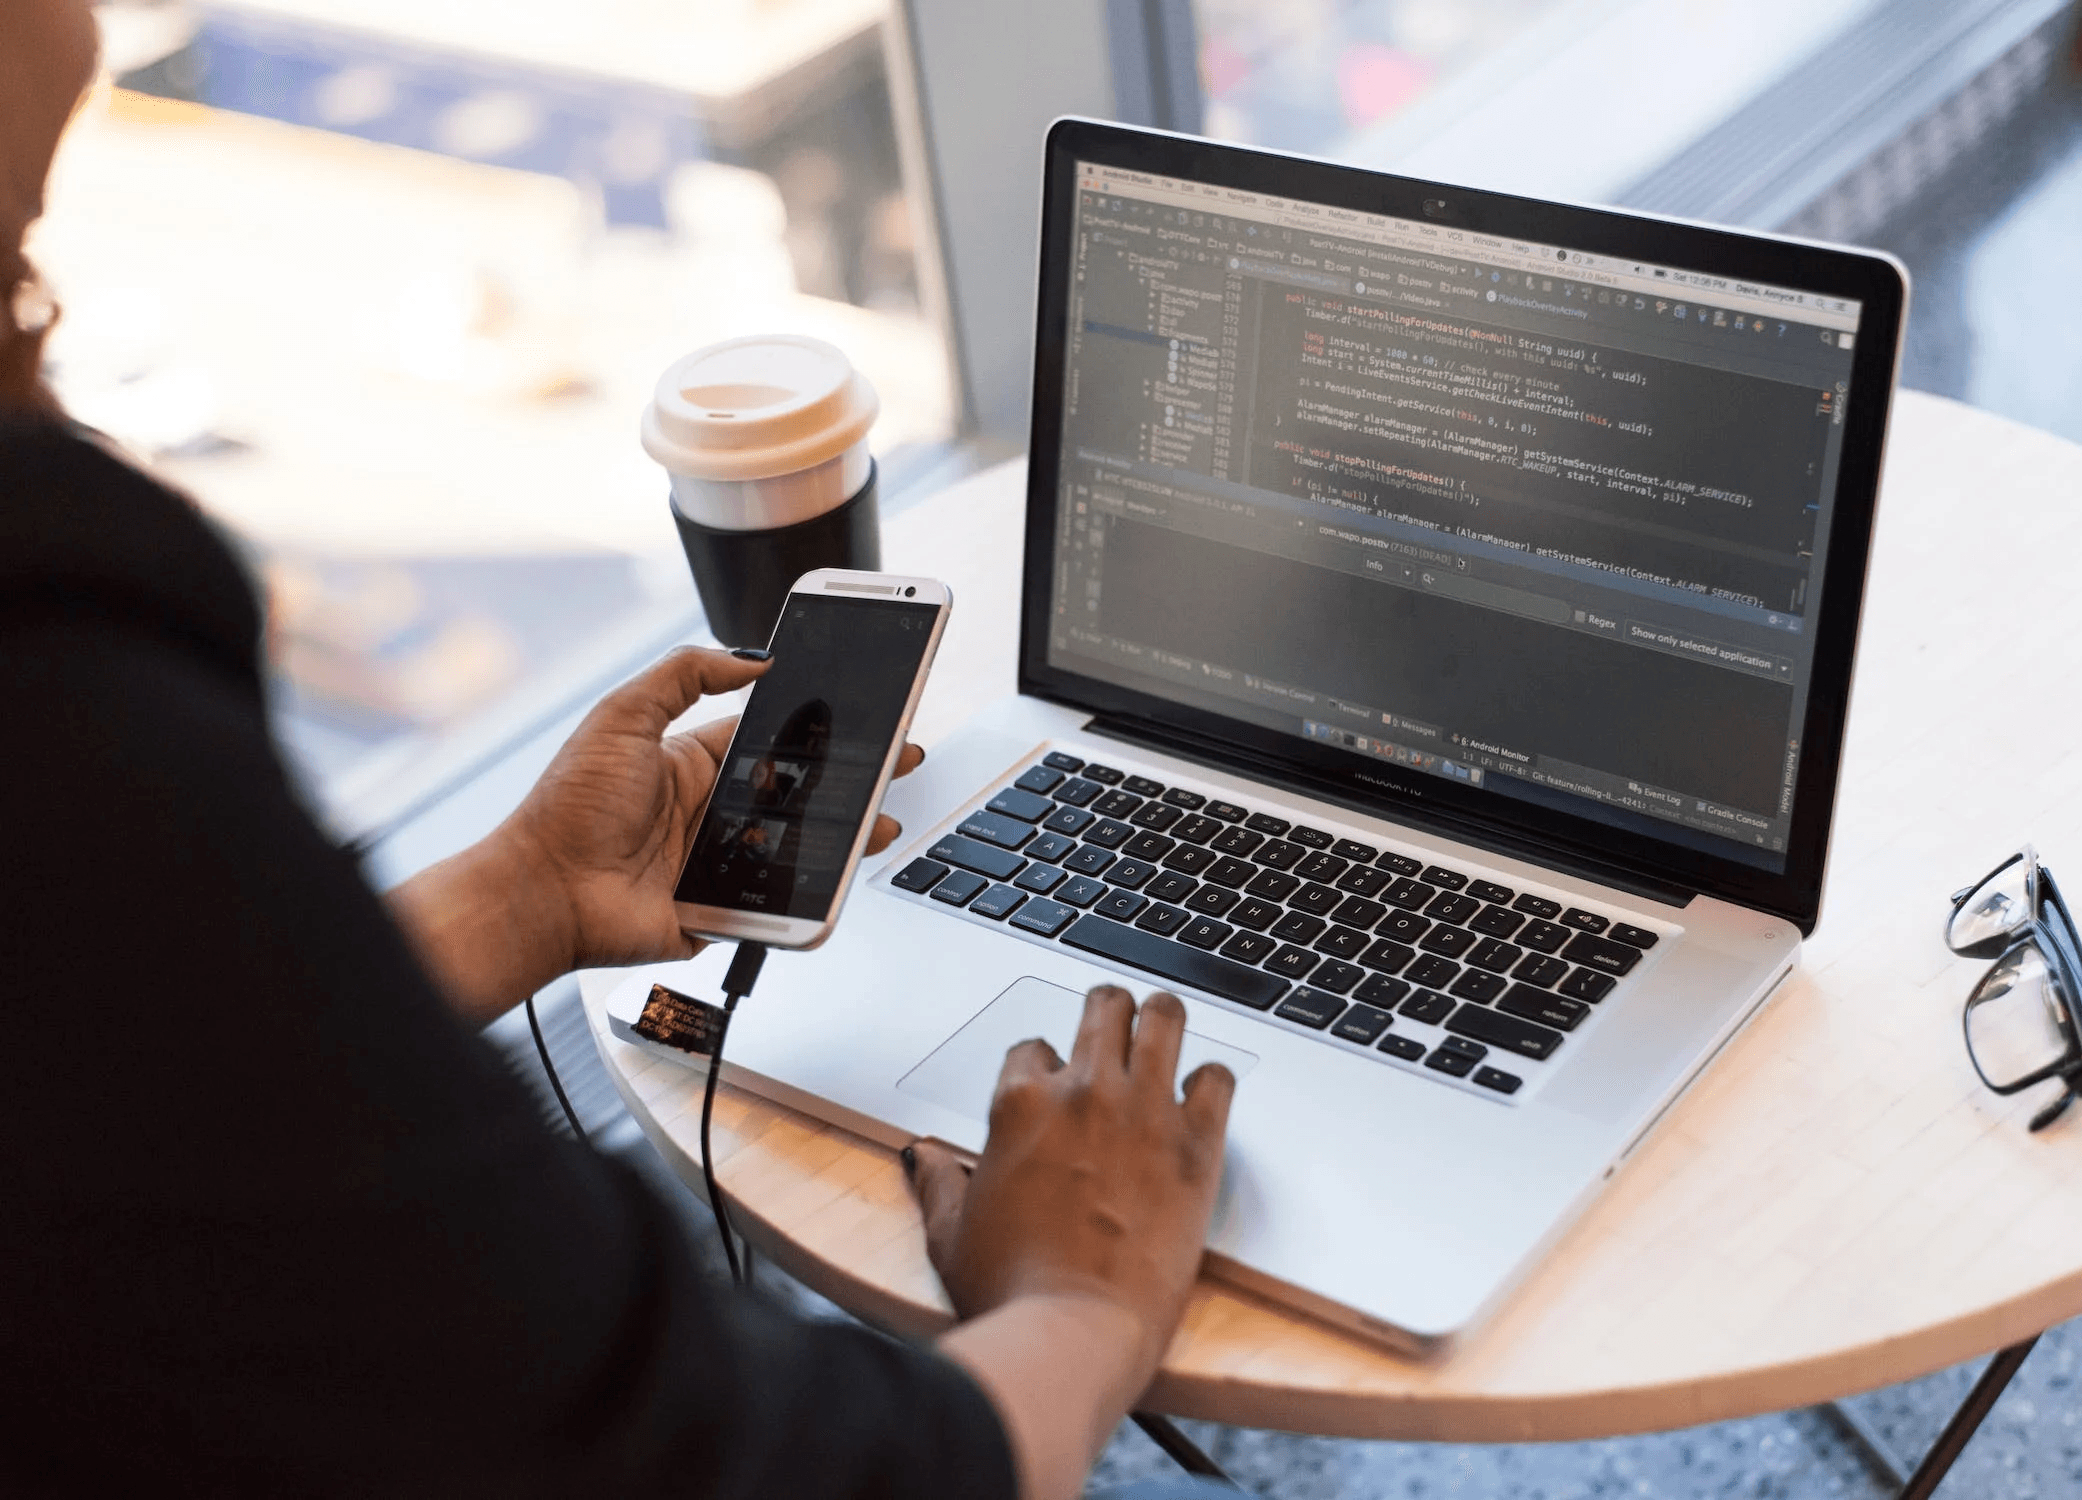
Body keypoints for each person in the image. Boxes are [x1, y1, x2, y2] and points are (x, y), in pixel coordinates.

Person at [0, 5, 1237, 1496]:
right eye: (15, 285)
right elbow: (742, 1467)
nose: (49, 364)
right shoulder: (69, 729)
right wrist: (1081, 1304)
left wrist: (525, 889)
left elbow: (152, 1082)